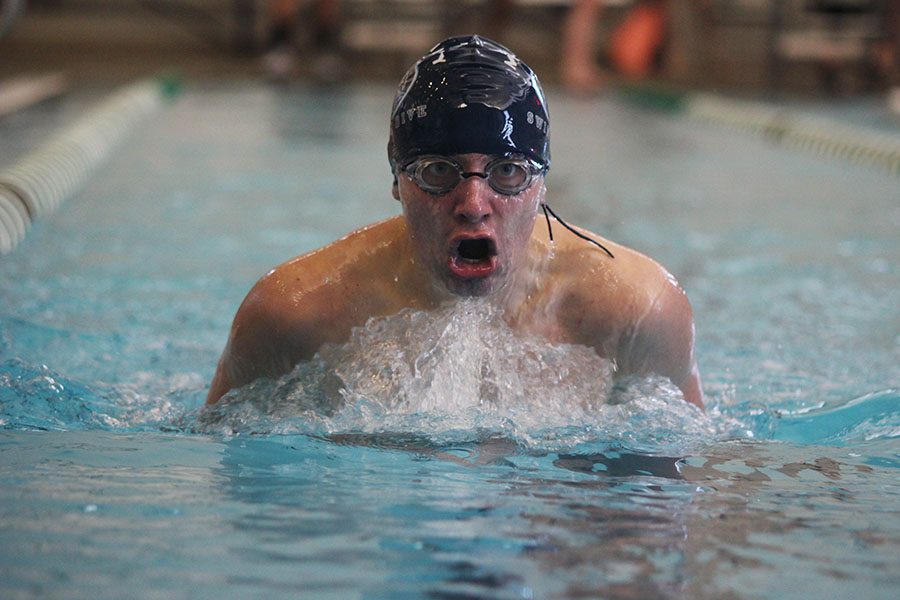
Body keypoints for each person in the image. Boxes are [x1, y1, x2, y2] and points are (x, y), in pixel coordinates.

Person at [207, 35, 704, 409]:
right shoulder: (293, 312)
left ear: (543, 184)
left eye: (507, 173)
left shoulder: (638, 311)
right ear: (398, 179)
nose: (472, 202)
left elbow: (671, 495)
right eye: (438, 172)